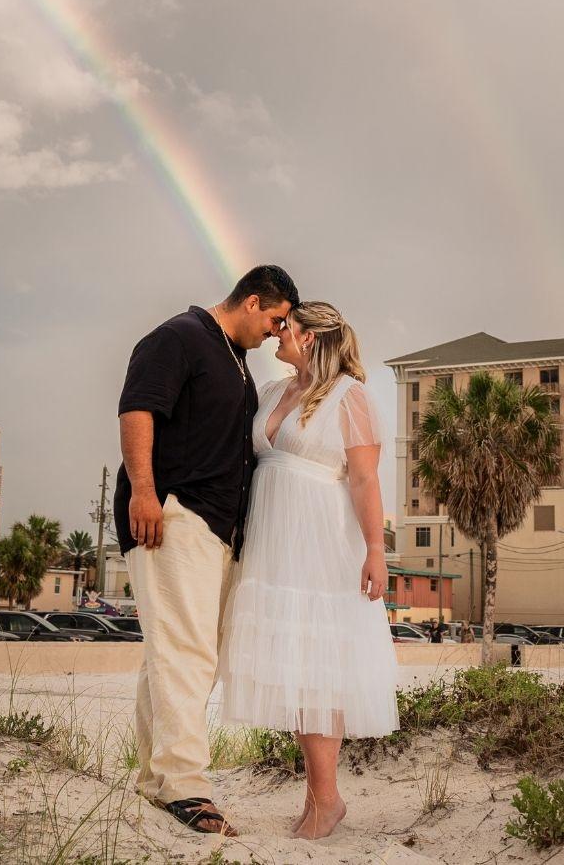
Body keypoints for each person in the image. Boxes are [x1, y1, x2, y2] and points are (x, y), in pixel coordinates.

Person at [114, 265, 299, 837]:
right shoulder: (179, 337)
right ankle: (187, 787)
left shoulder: (234, 360)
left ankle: (155, 778)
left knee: (177, 654)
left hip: (218, 527)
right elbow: (137, 409)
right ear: (250, 302)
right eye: (274, 321)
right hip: (175, 516)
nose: (275, 333)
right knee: (186, 654)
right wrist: (144, 493)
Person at [217, 301, 399, 840]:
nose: (277, 334)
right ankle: (315, 796)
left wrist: (375, 548)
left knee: (320, 667)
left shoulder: (350, 396)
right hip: (273, 544)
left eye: (286, 328)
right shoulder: (274, 392)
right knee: (295, 666)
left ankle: (328, 799)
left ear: (312, 337)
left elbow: (364, 481)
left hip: (320, 543)